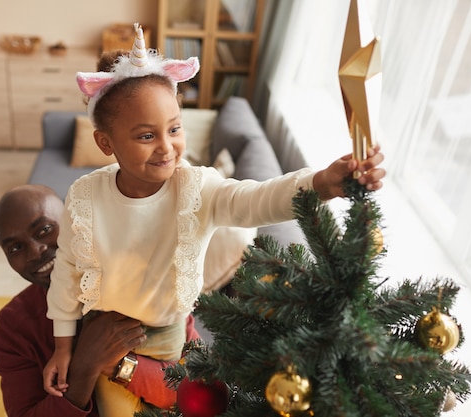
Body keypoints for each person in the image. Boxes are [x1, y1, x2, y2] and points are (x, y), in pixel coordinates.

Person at [44, 23, 386, 416]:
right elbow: (67, 271)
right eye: (145, 136)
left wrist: (323, 181)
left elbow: (259, 199)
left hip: (169, 339)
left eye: (174, 129)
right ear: (106, 142)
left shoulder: (197, 188)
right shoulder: (85, 196)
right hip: (105, 339)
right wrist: (63, 347)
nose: (166, 147)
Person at [0, 184, 201, 417]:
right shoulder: (12, 327)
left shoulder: (145, 280)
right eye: (15, 248)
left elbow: (200, 388)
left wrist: (116, 365)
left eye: (44, 230)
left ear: (74, 221)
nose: (35, 252)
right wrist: (85, 366)